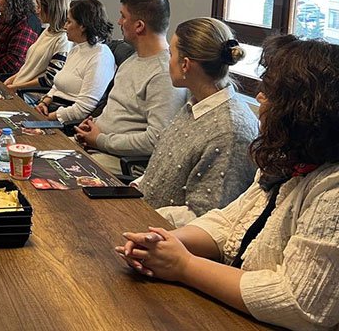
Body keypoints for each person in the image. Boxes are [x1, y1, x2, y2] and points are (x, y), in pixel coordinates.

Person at [115, 35, 339, 330]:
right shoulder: (289, 161)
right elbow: (231, 223)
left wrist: (184, 266)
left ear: (305, 109)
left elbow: (299, 303)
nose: (259, 97)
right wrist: (166, 243)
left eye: (270, 91)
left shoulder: (332, 189)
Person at [137, 18, 258, 227]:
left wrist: (139, 214)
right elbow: (159, 174)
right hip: (145, 218)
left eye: (171, 54)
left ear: (185, 65)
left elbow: (205, 216)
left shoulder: (229, 131)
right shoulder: (196, 105)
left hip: (166, 240)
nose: (168, 60)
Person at [75, 0, 185, 174]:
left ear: (139, 26)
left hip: (121, 161)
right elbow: (119, 111)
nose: (119, 22)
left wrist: (100, 139)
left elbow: (157, 140)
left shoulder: (164, 74)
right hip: (98, 147)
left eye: (123, 16)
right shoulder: (132, 60)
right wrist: (94, 124)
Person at [33, 0, 116, 125]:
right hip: (52, 110)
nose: (65, 26)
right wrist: (44, 102)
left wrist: (50, 117)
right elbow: (58, 85)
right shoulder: (76, 49)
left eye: (69, 22)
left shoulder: (100, 57)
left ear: (83, 26)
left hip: (67, 121)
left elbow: (84, 108)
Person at [5, 0, 74, 92]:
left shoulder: (63, 39)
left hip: (29, 94)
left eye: (40, 7)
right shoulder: (48, 30)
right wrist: (13, 79)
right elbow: (30, 68)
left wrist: (17, 87)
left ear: (51, 9)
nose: (37, 11)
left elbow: (50, 79)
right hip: (18, 88)